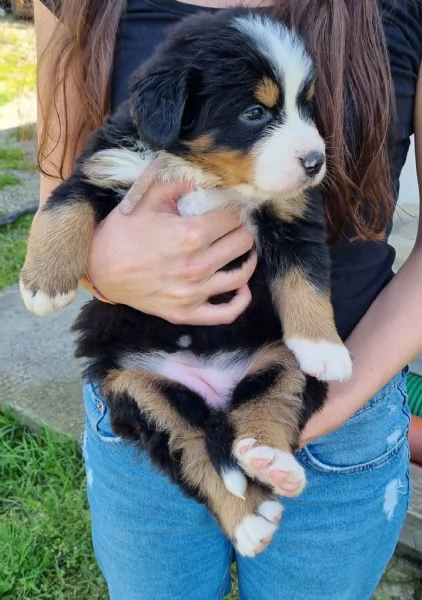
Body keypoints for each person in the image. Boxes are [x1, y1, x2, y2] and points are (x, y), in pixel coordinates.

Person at [33, 0, 422, 598]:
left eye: (302, 107)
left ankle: (254, 461)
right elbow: (69, 190)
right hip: (147, 379)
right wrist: (93, 266)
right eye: (256, 112)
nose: (307, 141)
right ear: (169, 112)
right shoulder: (131, 121)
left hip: (329, 400)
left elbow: (298, 253)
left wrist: (327, 384)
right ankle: (233, 498)